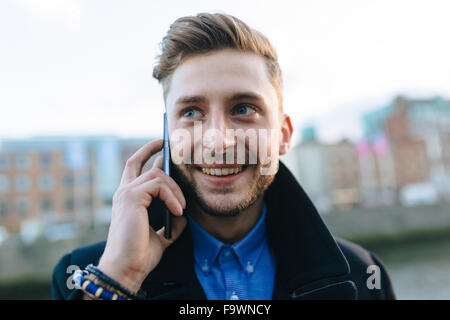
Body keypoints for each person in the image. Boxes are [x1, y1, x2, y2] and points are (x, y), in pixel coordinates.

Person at [52, 12, 395, 300]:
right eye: (191, 112)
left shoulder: (364, 275)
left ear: (284, 135)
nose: (218, 141)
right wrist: (121, 277)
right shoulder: (88, 275)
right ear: (168, 134)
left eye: (243, 108)